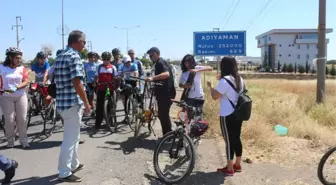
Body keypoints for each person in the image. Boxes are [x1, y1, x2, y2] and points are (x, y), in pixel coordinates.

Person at [54, 30, 91, 182]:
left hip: (63, 103)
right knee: (70, 140)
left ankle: (74, 163)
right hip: (72, 104)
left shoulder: (60, 56)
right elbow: (77, 83)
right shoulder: (74, 56)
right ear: (76, 41)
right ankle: (64, 171)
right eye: (83, 42)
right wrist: (87, 103)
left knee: (74, 137)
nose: (84, 45)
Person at [206, 57, 245, 176]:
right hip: (238, 114)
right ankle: (237, 164)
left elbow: (215, 96)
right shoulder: (240, 79)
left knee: (229, 140)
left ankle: (229, 168)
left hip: (227, 115)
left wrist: (211, 86)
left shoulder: (224, 81)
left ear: (223, 67)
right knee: (236, 138)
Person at [0, 47, 30, 148]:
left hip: (20, 95)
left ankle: (24, 140)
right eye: (17, 58)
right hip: (6, 96)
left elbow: (26, 81)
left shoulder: (22, 69)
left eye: (20, 58)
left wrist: (17, 87)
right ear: (10, 57)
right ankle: (10, 141)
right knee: (10, 120)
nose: (19, 60)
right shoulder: (1, 68)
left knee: (22, 118)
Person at [145, 47, 175, 136]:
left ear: (157, 54)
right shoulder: (157, 63)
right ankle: (167, 135)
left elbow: (166, 74)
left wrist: (153, 78)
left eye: (152, 55)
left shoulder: (161, 62)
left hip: (166, 93)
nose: (150, 57)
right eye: (149, 56)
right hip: (162, 93)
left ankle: (168, 136)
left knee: (163, 115)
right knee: (162, 115)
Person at [94, 51, 118, 130]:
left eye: (107, 59)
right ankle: (98, 124)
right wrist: (95, 83)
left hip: (110, 88)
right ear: (102, 59)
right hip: (101, 88)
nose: (106, 61)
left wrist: (115, 84)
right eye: (104, 59)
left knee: (110, 106)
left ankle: (110, 121)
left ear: (110, 59)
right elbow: (96, 76)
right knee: (99, 107)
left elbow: (115, 77)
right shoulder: (99, 67)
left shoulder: (113, 67)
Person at [119, 55, 138, 121]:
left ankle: (136, 111)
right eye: (126, 62)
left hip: (133, 82)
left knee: (135, 97)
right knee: (125, 99)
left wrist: (137, 85)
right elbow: (120, 75)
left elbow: (136, 75)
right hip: (125, 82)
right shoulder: (121, 66)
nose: (127, 63)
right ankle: (126, 115)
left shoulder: (134, 65)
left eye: (129, 62)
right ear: (123, 62)